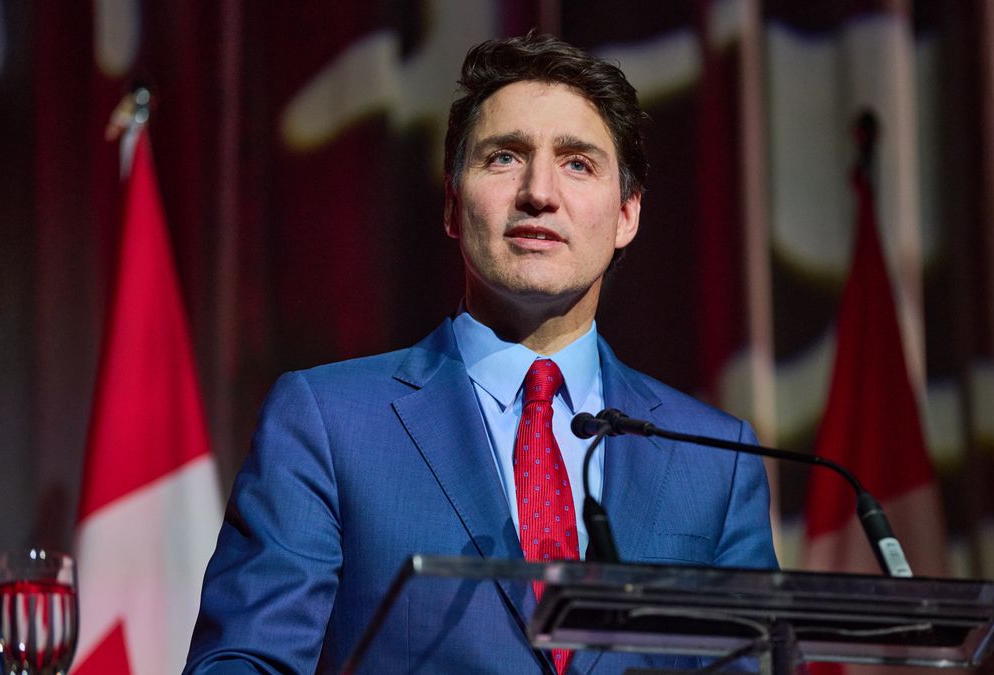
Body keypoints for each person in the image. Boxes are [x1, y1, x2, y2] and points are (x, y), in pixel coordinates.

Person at [184, 32, 778, 674]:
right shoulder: (327, 423)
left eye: (578, 163)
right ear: (450, 202)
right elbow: (245, 663)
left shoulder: (716, 461)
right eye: (503, 158)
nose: (539, 193)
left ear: (627, 214)